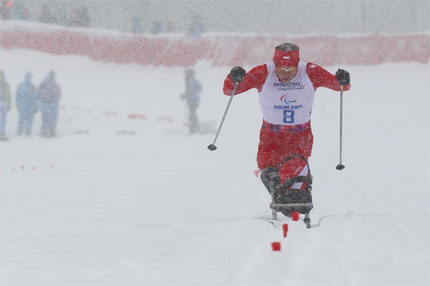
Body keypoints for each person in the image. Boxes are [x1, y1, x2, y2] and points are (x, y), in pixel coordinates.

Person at [222, 43, 351, 214]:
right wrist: (234, 77)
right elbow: (229, 90)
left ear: (297, 64)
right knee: (268, 170)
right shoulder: (263, 72)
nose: (285, 74)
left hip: (299, 134)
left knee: (295, 171)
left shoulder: (310, 71)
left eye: (290, 70)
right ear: (275, 64)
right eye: (281, 69)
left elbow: (340, 86)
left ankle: (299, 200)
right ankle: (281, 196)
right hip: (271, 134)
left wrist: (342, 79)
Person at [38, 71, 61, 138]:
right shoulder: (55, 85)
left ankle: (44, 131)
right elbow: (59, 95)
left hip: (44, 105)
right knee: (52, 119)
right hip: (53, 105)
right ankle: (52, 131)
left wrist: (40, 103)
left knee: (45, 119)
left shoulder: (43, 84)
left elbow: (38, 94)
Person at [181, 69, 202, 133]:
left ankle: (194, 128)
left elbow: (191, 91)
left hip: (192, 101)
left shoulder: (190, 81)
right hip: (193, 100)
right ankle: (195, 127)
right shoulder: (193, 81)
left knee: (192, 114)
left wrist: (185, 95)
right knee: (192, 114)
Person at [0, 70, 11, 141]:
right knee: (2, 120)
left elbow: (8, 95)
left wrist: (9, 104)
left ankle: (2, 133)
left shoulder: (5, 84)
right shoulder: (5, 84)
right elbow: (8, 95)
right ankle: (2, 133)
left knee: (3, 120)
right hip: (3, 104)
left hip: (3, 104)